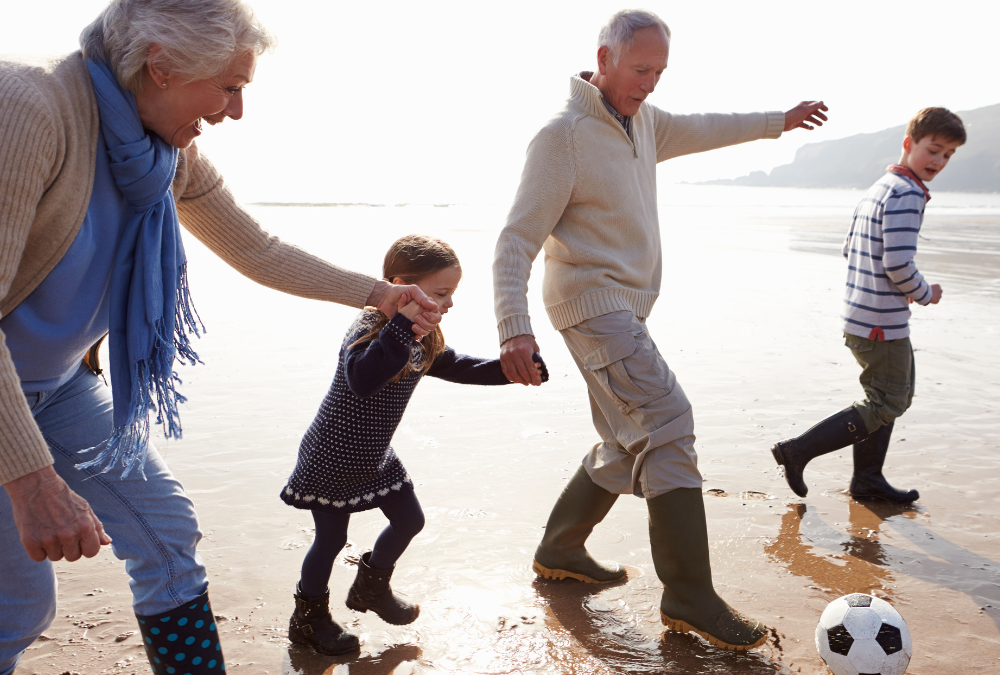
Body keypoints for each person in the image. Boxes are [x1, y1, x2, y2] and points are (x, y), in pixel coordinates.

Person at [0, 2, 440, 673]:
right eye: (230, 86)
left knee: (167, 534)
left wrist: (381, 294)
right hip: (8, 394)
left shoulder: (161, 152)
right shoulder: (31, 109)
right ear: (162, 66)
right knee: (18, 606)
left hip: (55, 385)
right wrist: (32, 482)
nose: (236, 111)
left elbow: (257, 249)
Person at [492, 8, 828, 652]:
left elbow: (705, 127)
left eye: (660, 71)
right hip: (592, 306)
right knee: (668, 421)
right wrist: (514, 329)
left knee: (628, 438)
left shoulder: (644, 122)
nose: (650, 82)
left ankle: (561, 548)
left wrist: (776, 123)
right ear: (605, 57)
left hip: (622, 309)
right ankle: (689, 595)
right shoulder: (562, 137)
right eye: (641, 68)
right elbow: (514, 240)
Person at [280, 234, 547, 655]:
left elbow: (455, 365)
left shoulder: (424, 336)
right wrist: (402, 324)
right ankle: (309, 620)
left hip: (375, 455)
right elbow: (363, 379)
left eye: (452, 294)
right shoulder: (369, 324)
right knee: (330, 542)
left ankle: (371, 588)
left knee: (410, 521)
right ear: (402, 285)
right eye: (441, 293)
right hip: (332, 455)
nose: (449, 303)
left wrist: (509, 370)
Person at [770, 108, 966, 504]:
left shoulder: (881, 186)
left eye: (948, 154)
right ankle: (798, 451)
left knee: (891, 394)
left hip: (860, 314)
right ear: (909, 144)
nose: (939, 161)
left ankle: (868, 479)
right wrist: (925, 291)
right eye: (933, 150)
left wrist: (891, 284)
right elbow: (897, 263)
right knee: (888, 399)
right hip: (881, 322)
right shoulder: (908, 194)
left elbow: (851, 248)